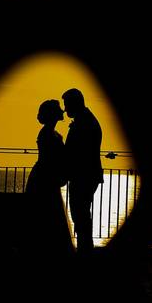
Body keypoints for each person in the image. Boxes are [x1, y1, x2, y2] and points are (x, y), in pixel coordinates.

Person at [23, 99, 73, 256]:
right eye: (58, 109)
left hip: (44, 177)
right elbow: (51, 159)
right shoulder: (48, 134)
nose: (62, 111)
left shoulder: (50, 133)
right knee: (47, 215)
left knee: (47, 215)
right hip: (45, 179)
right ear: (53, 114)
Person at [62, 88, 103, 252]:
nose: (65, 109)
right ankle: (85, 249)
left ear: (75, 103)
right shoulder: (86, 119)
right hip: (86, 175)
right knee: (81, 215)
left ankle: (85, 251)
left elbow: (78, 152)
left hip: (83, 176)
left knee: (81, 215)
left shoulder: (84, 123)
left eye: (67, 105)